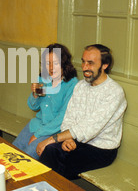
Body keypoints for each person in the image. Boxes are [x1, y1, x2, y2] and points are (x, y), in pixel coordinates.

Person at [37, 44, 127, 179]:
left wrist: (53, 139)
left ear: (105, 65)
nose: (84, 67)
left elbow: (89, 128)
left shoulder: (114, 92)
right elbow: (69, 117)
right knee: (52, 153)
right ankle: (47, 190)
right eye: (83, 61)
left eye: (90, 63)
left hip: (101, 149)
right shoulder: (80, 86)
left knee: (53, 155)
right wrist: (68, 139)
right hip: (78, 141)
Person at [12, 43, 78, 159]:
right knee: (12, 151)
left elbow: (62, 118)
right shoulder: (43, 78)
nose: (51, 68)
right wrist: (35, 94)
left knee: (27, 158)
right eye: (48, 63)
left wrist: (38, 135)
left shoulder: (72, 84)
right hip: (36, 124)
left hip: (54, 131)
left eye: (56, 63)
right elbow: (33, 106)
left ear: (64, 63)